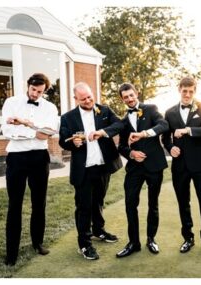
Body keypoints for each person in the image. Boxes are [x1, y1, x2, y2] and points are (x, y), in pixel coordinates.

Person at [57, 82, 124, 260]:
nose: (88, 100)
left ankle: (99, 230)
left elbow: (120, 125)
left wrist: (102, 132)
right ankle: (84, 244)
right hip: (83, 169)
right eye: (83, 98)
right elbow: (63, 141)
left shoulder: (105, 110)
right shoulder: (68, 118)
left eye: (89, 96)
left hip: (103, 167)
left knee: (99, 201)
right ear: (75, 99)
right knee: (84, 207)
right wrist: (73, 143)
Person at [0, 73, 59, 265]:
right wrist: (36, 132)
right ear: (28, 86)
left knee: (39, 203)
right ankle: (11, 253)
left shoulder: (50, 108)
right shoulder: (11, 102)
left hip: (39, 158)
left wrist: (25, 123)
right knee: (14, 204)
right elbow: (7, 131)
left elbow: (49, 132)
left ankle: (37, 243)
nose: (35, 94)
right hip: (16, 157)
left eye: (39, 91)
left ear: (45, 90)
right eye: (33, 90)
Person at [161, 76, 201, 256]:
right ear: (179, 89)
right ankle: (188, 237)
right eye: (184, 91)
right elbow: (165, 138)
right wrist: (171, 148)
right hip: (179, 165)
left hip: (200, 164)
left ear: (195, 91)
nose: (187, 94)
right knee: (183, 203)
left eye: (191, 91)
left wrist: (188, 130)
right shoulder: (169, 112)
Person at [113, 83, 169, 258]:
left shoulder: (151, 109)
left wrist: (144, 134)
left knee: (153, 204)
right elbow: (121, 146)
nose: (129, 99)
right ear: (122, 99)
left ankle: (151, 239)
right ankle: (133, 243)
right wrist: (131, 153)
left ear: (136, 93)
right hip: (134, 169)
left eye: (131, 95)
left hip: (154, 166)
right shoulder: (122, 122)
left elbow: (164, 125)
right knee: (130, 204)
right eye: (125, 97)